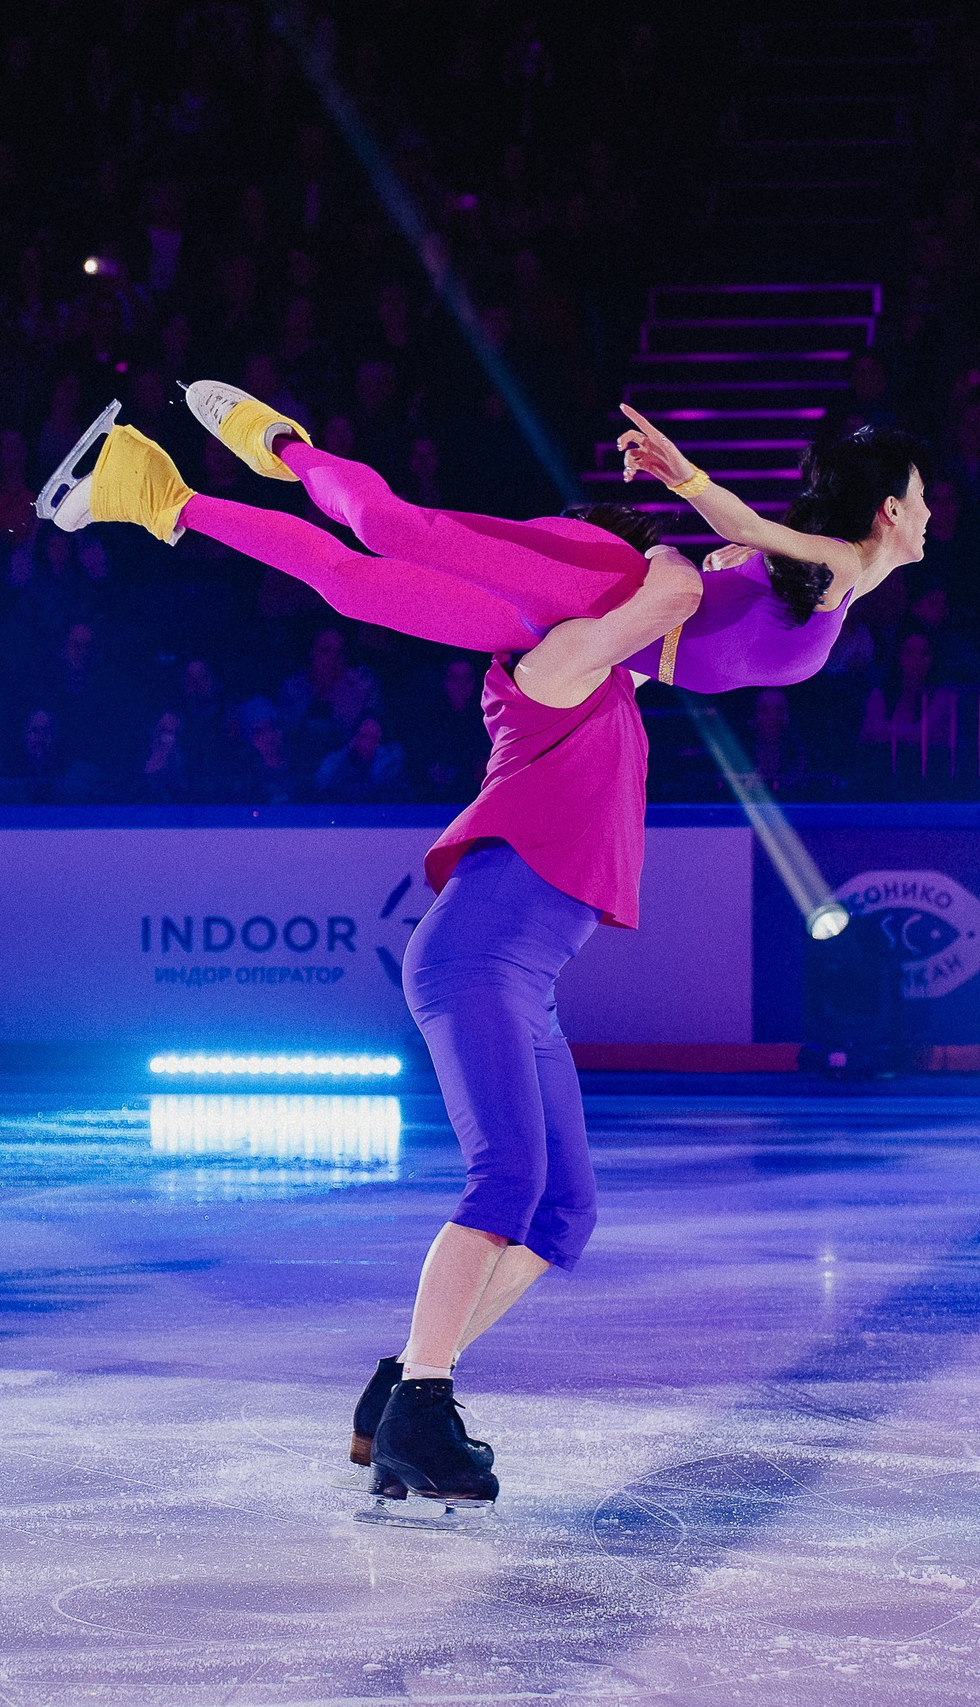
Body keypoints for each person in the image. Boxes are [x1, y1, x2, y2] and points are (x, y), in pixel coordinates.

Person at [342, 511, 702, 1527]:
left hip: (523, 976)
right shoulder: (556, 659)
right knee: (505, 1181)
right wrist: (663, 561)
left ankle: (406, 1379)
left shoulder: (613, 673)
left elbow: (700, 625)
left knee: (563, 1213)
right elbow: (676, 596)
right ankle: (421, 1409)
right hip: (473, 960)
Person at [39, 386, 927, 696]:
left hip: (576, 644)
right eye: (922, 499)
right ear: (887, 512)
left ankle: (154, 490)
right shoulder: (846, 566)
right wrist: (683, 477)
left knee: (352, 589)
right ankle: (279, 440)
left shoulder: (830, 587)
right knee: (389, 525)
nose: (929, 515)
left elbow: (711, 623)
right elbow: (736, 535)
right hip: (595, 591)